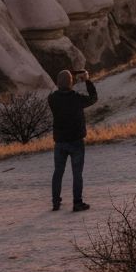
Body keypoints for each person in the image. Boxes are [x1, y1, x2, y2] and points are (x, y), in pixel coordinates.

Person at [48, 69, 97, 212]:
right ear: (71, 83)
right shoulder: (77, 98)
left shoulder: (52, 99)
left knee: (58, 172)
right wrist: (87, 80)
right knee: (77, 174)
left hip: (60, 142)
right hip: (76, 140)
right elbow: (93, 98)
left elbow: (58, 94)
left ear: (58, 83)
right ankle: (77, 202)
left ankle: (55, 202)